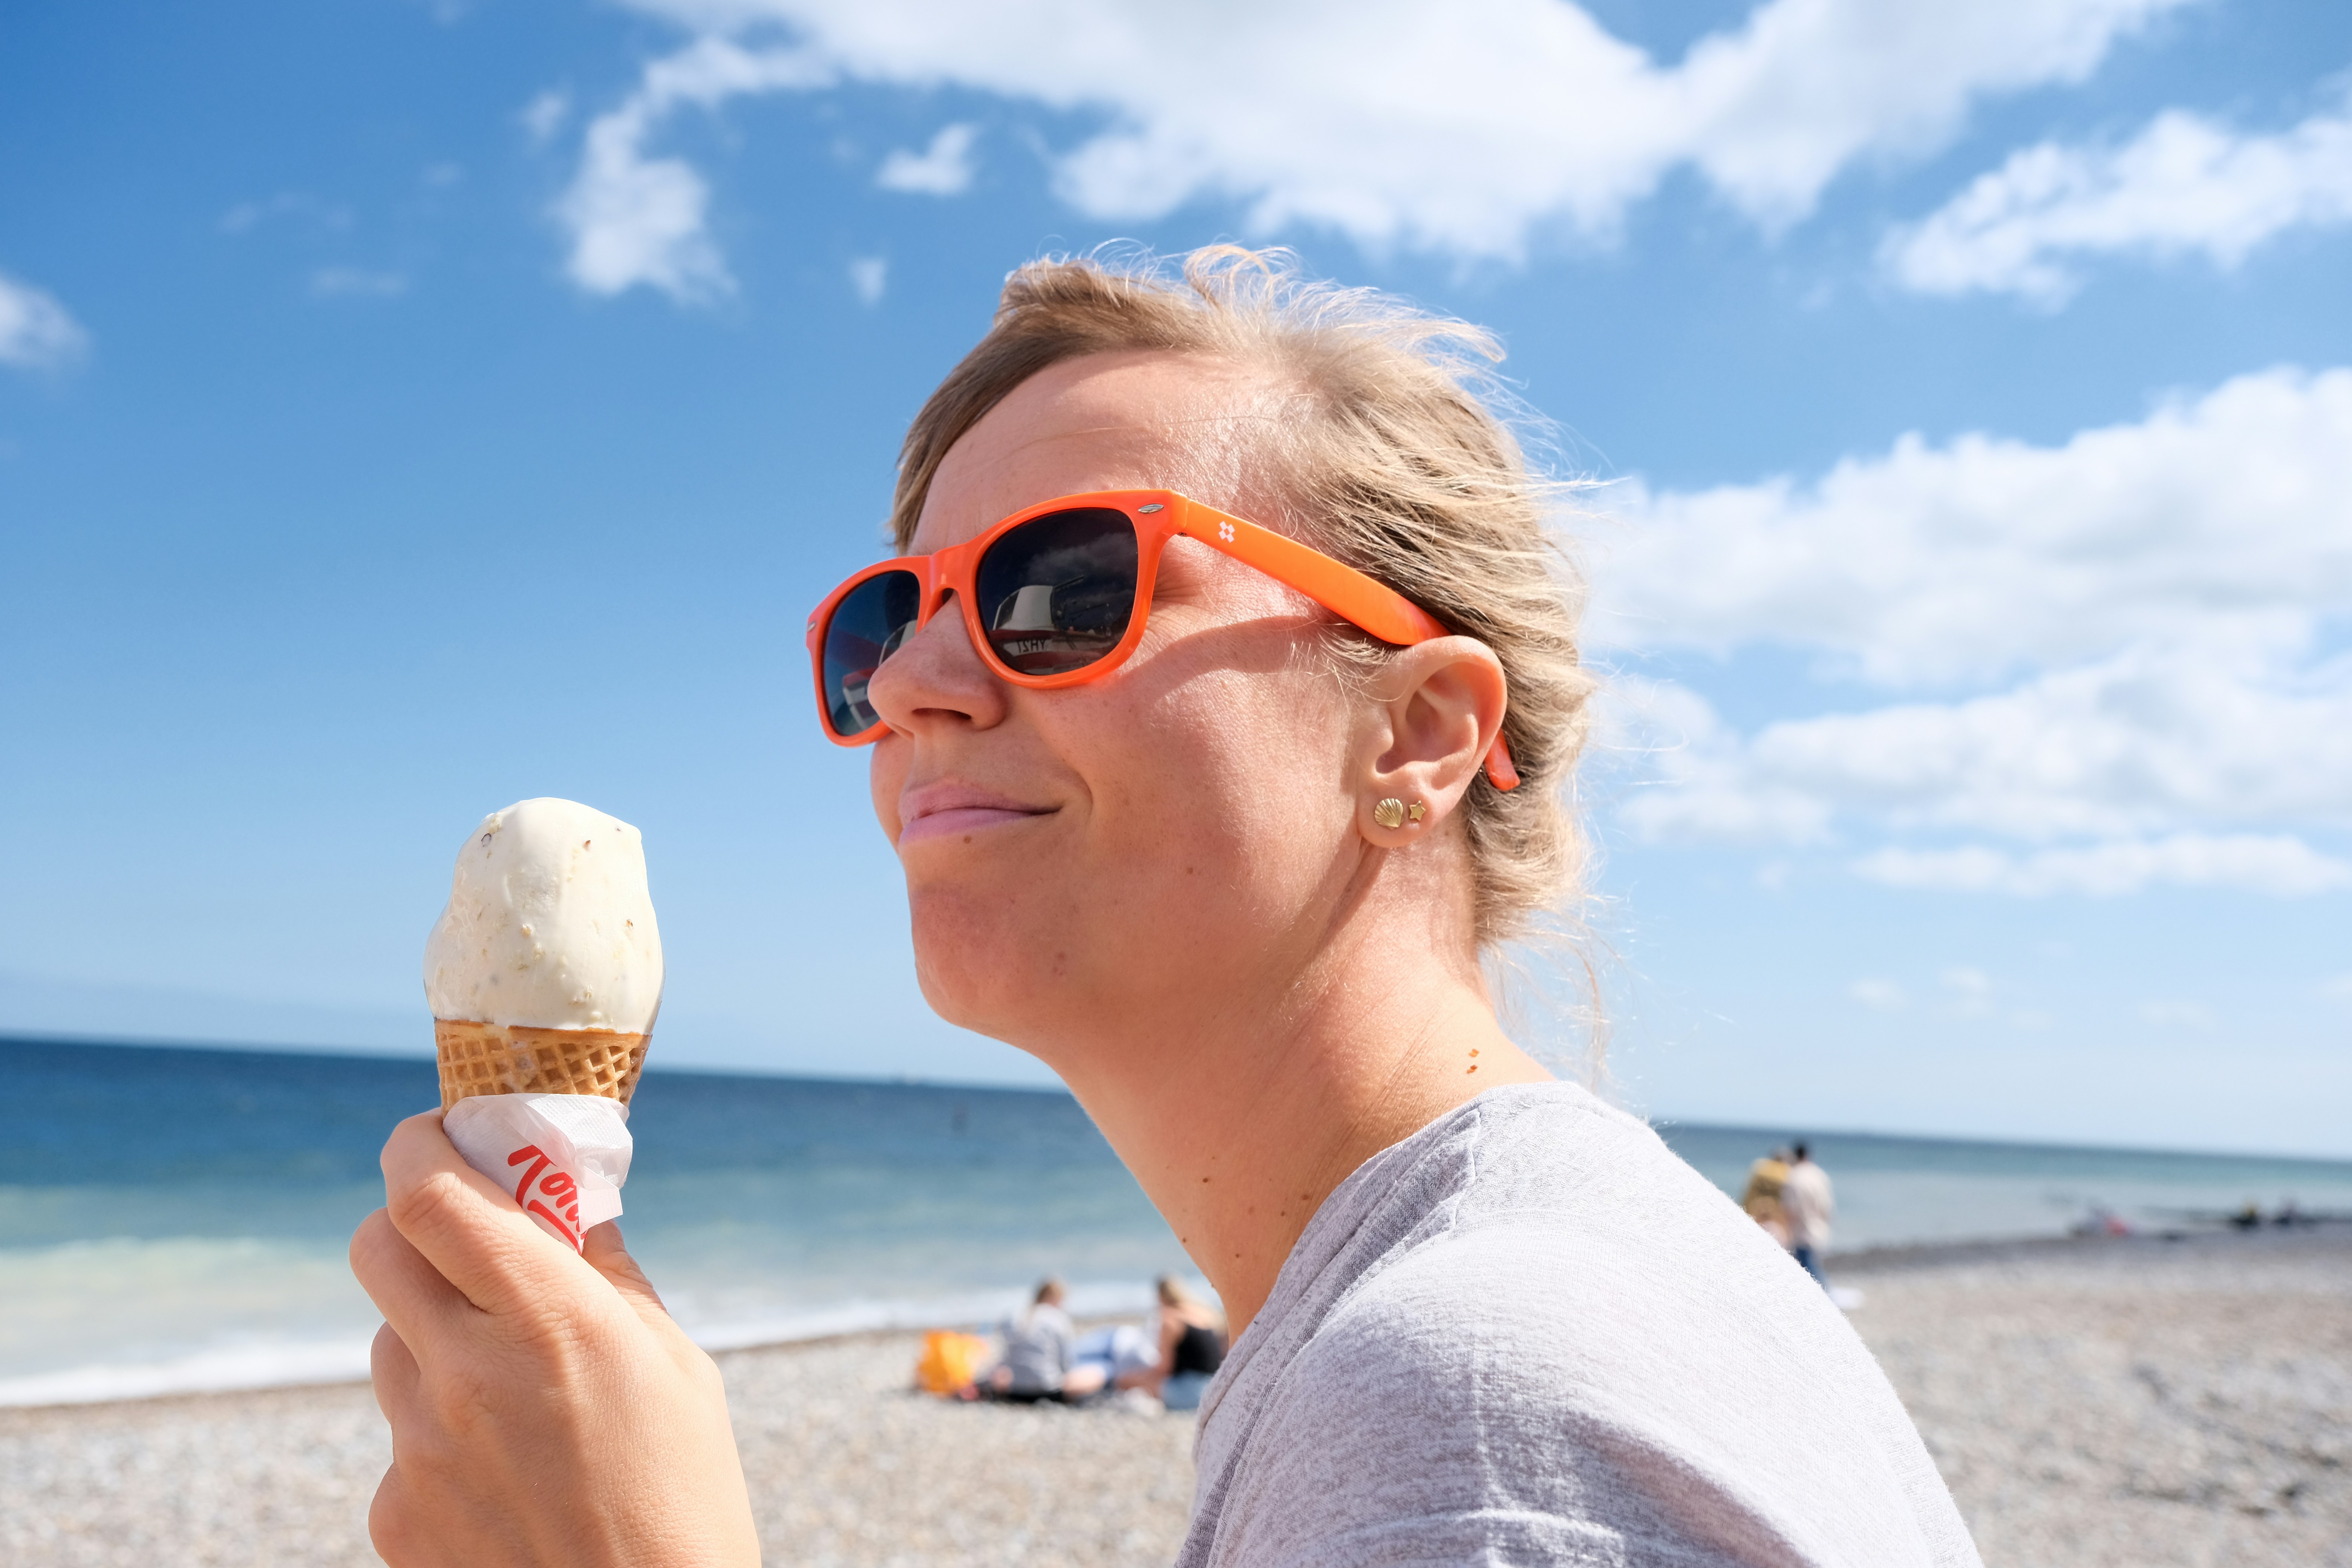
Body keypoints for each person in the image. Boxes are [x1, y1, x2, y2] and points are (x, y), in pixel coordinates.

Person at [351, 247, 1981, 1566]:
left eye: (1057, 590)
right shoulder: (1506, 1306)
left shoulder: (1473, 1415)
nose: (916, 685)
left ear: (1415, 732)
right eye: (883, 623)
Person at [986, 1277, 1107, 1401]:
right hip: (1049, 1392)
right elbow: (1067, 1361)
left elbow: (1004, 1356)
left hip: (1014, 1391)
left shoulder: (1015, 1316)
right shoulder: (1058, 1318)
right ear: (1057, 1298)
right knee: (1098, 1372)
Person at [1117, 1274, 1227, 1411]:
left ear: (1160, 1297)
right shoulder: (1203, 1312)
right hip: (1217, 1386)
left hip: (1192, 1392)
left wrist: (1141, 1374)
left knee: (1125, 1380)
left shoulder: (1170, 1319)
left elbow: (1164, 1368)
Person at [1782, 1141, 1836, 1285]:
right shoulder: (1820, 1175)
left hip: (1802, 1232)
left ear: (1794, 1156)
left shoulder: (1794, 1177)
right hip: (1820, 1230)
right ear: (1808, 1155)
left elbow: (1791, 1210)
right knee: (1815, 1271)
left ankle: (1824, 1305)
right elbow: (1828, 1207)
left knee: (1810, 1276)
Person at [1743, 1145, 1794, 1247]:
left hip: (1755, 1213)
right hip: (1777, 1219)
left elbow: (1749, 1193)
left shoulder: (1760, 1169)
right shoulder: (1788, 1173)